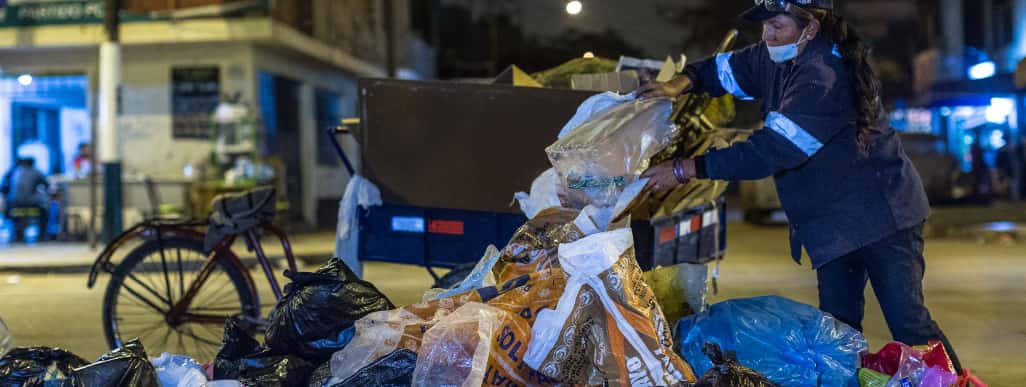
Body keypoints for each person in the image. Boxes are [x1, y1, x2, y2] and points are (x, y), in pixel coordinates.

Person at [638, 0, 962, 371]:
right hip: (830, 225)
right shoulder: (773, 58)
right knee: (838, 329)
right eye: (764, 26)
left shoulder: (824, 74)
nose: (768, 36)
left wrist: (683, 169)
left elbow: (773, 151)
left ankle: (952, 382)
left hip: (882, 217)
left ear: (811, 27)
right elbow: (722, 69)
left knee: (908, 323)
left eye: (778, 26)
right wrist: (679, 84)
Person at [1, 158, 50, 240]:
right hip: (30, 204)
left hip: (13, 206)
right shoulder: (36, 172)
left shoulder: (13, 172)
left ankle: (18, 234)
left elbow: (3, 188)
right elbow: (46, 185)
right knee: (45, 210)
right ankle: (42, 235)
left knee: (14, 210)